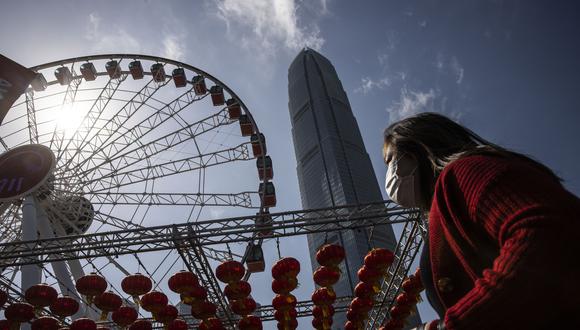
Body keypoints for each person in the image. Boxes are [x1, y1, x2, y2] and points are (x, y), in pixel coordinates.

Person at [382, 112, 580, 330]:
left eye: (390, 160)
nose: (389, 173)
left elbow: (548, 235)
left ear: (414, 150)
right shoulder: (441, 211)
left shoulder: (463, 173)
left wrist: (453, 325)